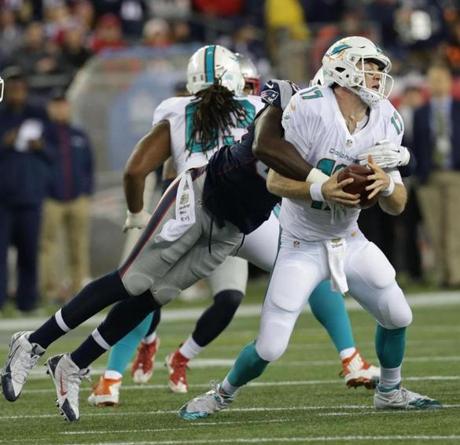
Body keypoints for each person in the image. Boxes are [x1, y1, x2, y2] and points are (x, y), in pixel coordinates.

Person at [0, 47, 411, 422]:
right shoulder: (287, 104)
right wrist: (322, 180)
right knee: (132, 280)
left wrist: (384, 174)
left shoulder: (340, 121)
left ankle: (74, 363)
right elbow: (267, 149)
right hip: (198, 201)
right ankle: (33, 343)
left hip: (235, 226)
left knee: (153, 296)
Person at [87, 57, 380, 407]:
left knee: (251, 285)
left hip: (241, 220)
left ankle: (349, 356)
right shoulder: (187, 112)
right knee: (141, 287)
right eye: (249, 86)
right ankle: (113, 374)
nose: (253, 93)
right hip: (206, 213)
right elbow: (162, 174)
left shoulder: (245, 108)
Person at [179, 36, 441, 420]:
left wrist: (385, 183)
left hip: (350, 238)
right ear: (342, 67)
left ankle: (390, 390)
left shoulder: (387, 116)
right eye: (368, 66)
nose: (377, 75)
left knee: (398, 314)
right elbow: (274, 183)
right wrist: (321, 186)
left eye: (378, 68)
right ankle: (220, 394)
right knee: (270, 347)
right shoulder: (310, 108)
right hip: (301, 242)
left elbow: (397, 204)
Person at [0, 67, 51, 313]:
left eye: (20, 86)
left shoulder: (38, 115)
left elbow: (53, 155)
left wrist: (40, 146)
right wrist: (4, 144)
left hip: (30, 197)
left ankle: (27, 302)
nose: (16, 91)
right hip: (2, 199)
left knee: (29, 253)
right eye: (12, 86)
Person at [40, 91, 94, 303]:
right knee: (48, 246)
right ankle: (51, 291)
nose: (60, 109)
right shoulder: (42, 134)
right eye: (56, 105)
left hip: (78, 198)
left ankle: (78, 290)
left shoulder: (78, 134)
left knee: (78, 245)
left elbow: (89, 165)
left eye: (63, 104)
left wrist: (87, 192)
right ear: (50, 109)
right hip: (51, 199)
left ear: (68, 107)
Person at [413, 63, 460, 287]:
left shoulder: (458, 108)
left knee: (454, 226)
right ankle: (442, 274)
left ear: (449, 82)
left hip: (454, 174)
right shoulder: (420, 113)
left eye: (440, 79)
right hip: (428, 177)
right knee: (433, 227)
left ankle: (455, 273)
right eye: (432, 80)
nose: (437, 84)